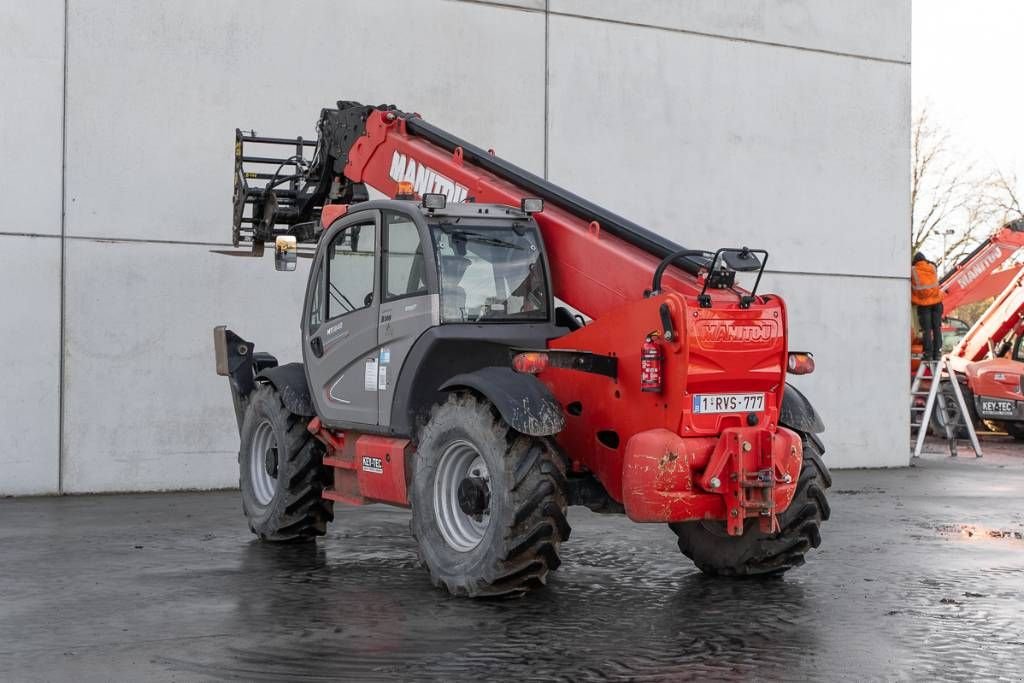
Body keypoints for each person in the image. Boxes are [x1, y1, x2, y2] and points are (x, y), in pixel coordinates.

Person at [912, 252, 945, 361]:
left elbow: (912, 290)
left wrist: (913, 300)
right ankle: (938, 353)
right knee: (936, 329)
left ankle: (928, 354)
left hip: (924, 305)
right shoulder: (932, 268)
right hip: (937, 303)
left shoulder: (912, 271)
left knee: (926, 330)